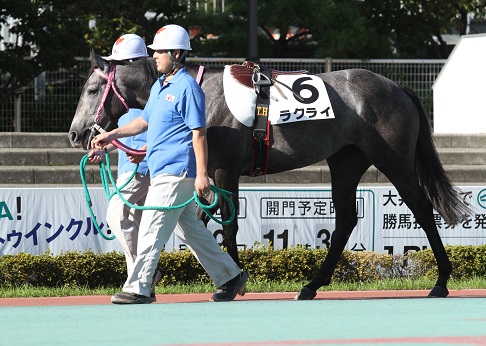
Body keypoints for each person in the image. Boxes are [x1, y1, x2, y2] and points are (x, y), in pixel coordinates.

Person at [92, 24, 248, 304]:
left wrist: (202, 175)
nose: (154, 56)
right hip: (163, 169)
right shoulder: (160, 86)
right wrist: (110, 135)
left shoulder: (188, 87)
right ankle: (229, 276)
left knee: (151, 226)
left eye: (160, 51)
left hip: (177, 172)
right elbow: (145, 121)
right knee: (191, 230)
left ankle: (138, 287)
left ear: (176, 53)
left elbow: (198, 133)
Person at [88, 34, 162, 299]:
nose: (116, 68)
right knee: (142, 227)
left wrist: (144, 150)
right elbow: (125, 134)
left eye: (120, 62)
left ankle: (141, 276)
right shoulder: (122, 91)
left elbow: (152, 131)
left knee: (117, 216)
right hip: (133, 166)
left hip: (144, 167)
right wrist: (104, 147)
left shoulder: (151, 90)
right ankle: (144, 282)